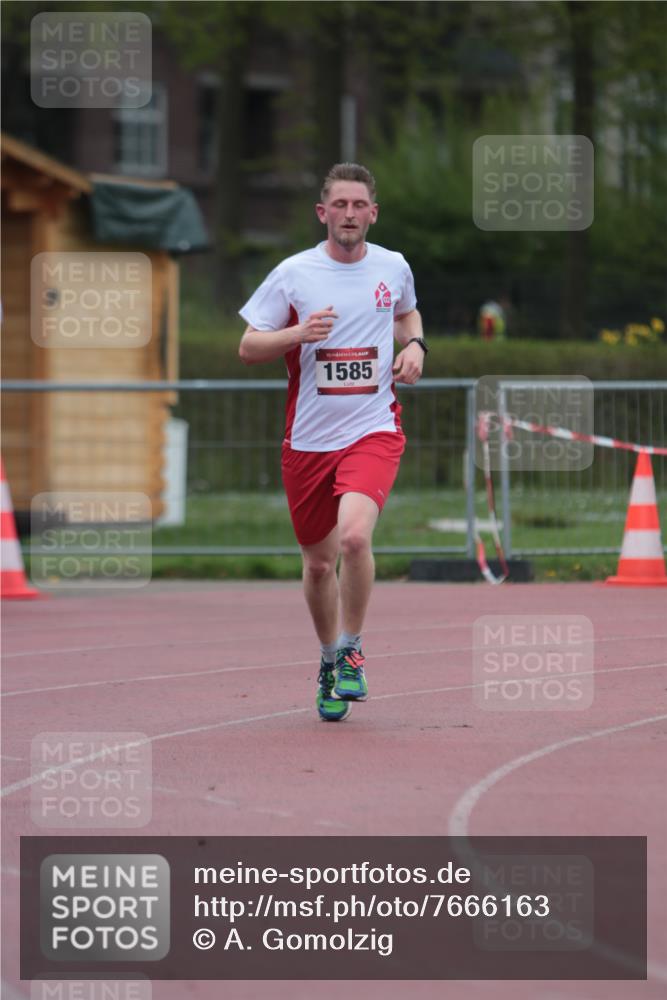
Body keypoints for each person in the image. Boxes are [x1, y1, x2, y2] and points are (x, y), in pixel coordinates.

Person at [238, 162, 426, 721]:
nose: (349, 214)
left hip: (373, 429)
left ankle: (351, 652)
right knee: (319, 566)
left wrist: (417, 346)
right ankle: (327, 659)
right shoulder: (294, 273)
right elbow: (248, 346)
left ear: (373, 213)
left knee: (354, 539)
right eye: (339, 205)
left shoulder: (393, 266)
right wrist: (298, 333)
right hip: (308, 442)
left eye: (358, 205)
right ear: (323, 213)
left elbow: (406, 313)